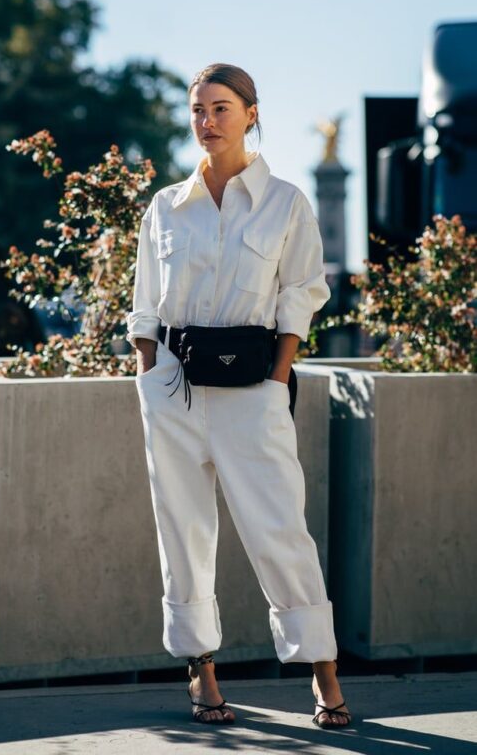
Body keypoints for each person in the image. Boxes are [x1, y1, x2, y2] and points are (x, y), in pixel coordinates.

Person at [126, 63, 352, 730]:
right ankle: (201, 673)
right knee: (183, 531)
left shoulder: (286, 202)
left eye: (221, 108)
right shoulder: (165, 205)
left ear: (251, 113)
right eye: (197, 110)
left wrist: (279, 376)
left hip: (254, 387)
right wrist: (149, 369)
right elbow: (144, 303)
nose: (207, 122)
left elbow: (302, 293)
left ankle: (324, 674)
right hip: (174, 389)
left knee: (281, 528)